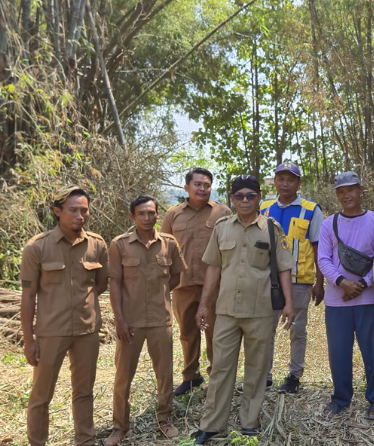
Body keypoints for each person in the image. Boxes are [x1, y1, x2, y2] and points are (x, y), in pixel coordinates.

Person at [191, 175, 296, 444]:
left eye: (251, 195)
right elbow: (213, 268)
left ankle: (249, 423)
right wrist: (203, 305)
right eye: (239, 196)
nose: (245, 200)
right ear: (232, 198)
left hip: (260, 311)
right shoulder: (222, 228)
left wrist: (289, 303)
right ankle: (212, 424)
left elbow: (284, 268)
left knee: (257, 369)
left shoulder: (271, 229)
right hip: (226, 311)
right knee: (220, 369)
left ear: (259, 197)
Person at [19, 186, 109, 446]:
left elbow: (100, 284)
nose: (80, 216)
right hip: (51, 332)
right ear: (57, 211)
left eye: (84, 210)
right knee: (41, 396)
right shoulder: (37, 247)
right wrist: (29, 340)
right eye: (73, 210)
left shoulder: (97, 244)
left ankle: (85, 440)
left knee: (84, 392)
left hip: (86, 331)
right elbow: (28, 296)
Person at [104, 195, 187, 445]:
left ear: (157, 214)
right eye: (141, 213)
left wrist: (160, 295)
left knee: (164, 374)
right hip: (131, 322)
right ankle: (119, 426)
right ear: (132, 216)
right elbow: (115, 283)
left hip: (161, 320)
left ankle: (165, 419)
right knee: (123, 375)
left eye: (151, 213)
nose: (147, 218)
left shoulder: (169, 243)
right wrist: (119, 319)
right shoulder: (119, 244)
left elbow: (176, 277)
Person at [317, 172, 374, 420]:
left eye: (351, 189)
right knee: (339, 352)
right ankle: (340, 398)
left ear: (361, 190)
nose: (346, 195)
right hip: (337, 302)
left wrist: (363, 284)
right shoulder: (329, 224)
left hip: (368, 300)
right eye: (341, 191)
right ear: (337, 195)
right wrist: (341, 282)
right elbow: (323, 259)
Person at [161, 168, 232, 396]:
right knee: (187, 333)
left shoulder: (222, 212)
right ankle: (191, 376)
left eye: (207, 185)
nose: (202, 189)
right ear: (187, 187)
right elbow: (163, 248)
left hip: (215, 286)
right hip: (183, 284)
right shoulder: (173, 214)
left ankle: (217, 377)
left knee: (215, 333)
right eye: (197, 184)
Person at [259, 161, 325, 394]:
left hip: (299, 280)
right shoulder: (264, 208)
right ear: (275, 182)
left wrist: (320, 282)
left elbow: (318, 248)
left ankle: (294, 376)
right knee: (265, 330)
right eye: (281, 179)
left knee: (297, 330)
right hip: (268, 281)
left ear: (298, 183)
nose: (285, 184)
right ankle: (264, 376)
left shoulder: (311, 209)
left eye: (291, 179)